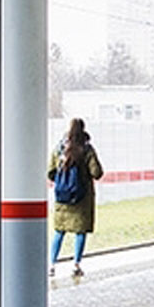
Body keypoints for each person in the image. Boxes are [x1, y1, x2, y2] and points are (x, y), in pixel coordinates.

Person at [48, 118, 103, 278]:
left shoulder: (60, 148)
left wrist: (64, 182)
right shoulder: (87, 149)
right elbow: (97, 173)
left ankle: (51, 265)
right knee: (80, 232)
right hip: (81, 199)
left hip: (62, 199)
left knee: (59, 231)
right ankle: (76, 265)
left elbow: (50, 172)